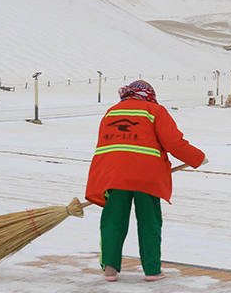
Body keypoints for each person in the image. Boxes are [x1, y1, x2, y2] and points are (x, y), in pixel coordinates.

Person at [85, 80, 206, 282]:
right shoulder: (154, 110)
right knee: (149, 222)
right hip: (146, 176)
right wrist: (197, 158)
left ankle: (110, 269)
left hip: (113, 174)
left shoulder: (112, 112)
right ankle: (152, 270)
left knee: (113, 221)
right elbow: (173, 141)